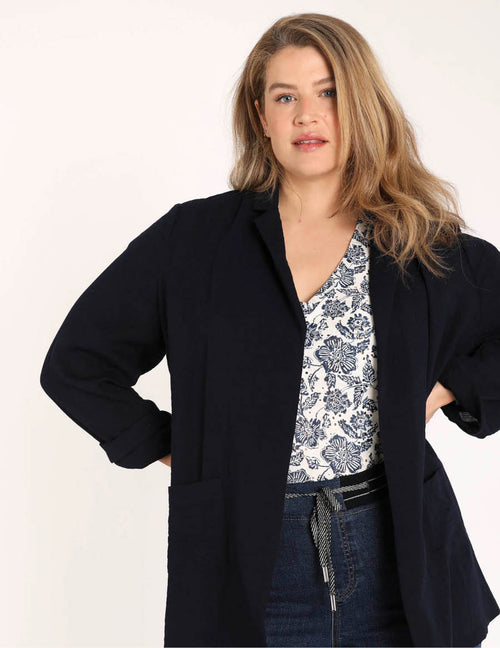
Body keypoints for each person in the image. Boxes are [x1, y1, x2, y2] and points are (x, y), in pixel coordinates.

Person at [40, 12, 498, 647]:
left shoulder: (418, 242)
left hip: (397, 551)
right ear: (261, 117)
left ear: (360, 104)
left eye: (328, 92)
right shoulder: (194, 242)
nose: (307, 115)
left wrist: (447, 390)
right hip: (252, 560)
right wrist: (175, 445)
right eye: (285, 97)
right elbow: (77, 364)